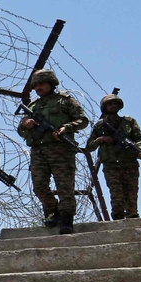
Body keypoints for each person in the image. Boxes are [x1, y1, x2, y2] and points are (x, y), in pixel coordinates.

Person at [18, 69, 89, 234]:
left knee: (65, 187)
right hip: (39, 151)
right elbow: (21, 130)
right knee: (39, 187)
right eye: (36, 85)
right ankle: (54, 211)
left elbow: (83, 120)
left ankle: (67, 219)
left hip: (61, 150)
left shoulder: (65, 101)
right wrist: (25, 125)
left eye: (42, 84)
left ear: (51, 83)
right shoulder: (33, 106)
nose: (39, 88)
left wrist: (66, 128)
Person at [86, 90, 141, 220]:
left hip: (129, 162)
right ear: (105, 107)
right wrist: (101, 139)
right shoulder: (100, 126)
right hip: (111, 164)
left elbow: (139, 139)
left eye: (115, 104)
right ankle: (118, 217)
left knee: (131, 191)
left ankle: (132, 216)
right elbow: (89, 146)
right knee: (116, 192)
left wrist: (139, 150)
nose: (113, 106)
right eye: (110, 104)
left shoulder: (129, 122)